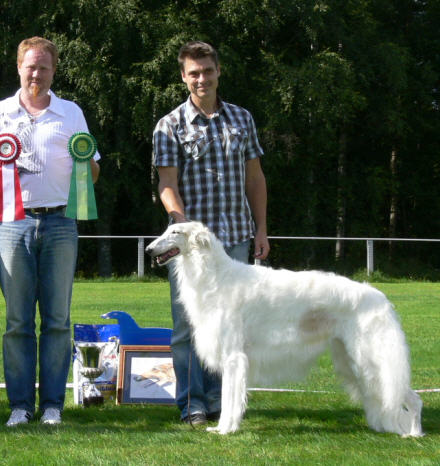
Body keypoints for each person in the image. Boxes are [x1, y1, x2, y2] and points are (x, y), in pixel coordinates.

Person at [152, 41, 269, 425]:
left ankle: (223, 403)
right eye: (193, 73)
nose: (201, 78)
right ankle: (192, 404)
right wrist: (181, 223)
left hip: (235, 236)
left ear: (218, 71)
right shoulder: (169, 125)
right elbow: (167, 184)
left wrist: (262, 229)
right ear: (184, 77)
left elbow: (255, 178)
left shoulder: (242, 119)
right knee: (188, 325)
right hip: (192, 248)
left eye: (207, 71)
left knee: (231, 325)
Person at [0, 37, 100, 426]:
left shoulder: (71, 113)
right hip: (12, 225)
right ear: (19, 68)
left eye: (43, 66)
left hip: (61, 222)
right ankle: (21, 406)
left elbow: (93, 170)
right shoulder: (2, 113)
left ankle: (53, 406)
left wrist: (84, 162)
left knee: (57, 319)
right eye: (30, 66)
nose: (36, 73)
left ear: (54, 70)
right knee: (17, 321)